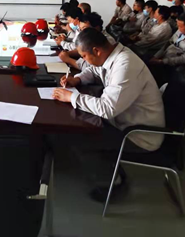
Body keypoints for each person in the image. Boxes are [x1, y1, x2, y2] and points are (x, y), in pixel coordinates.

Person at [52, 28, 165, 200]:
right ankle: (108, 169)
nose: (83, 60)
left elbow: (107, 108)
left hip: (138, 136)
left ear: (96, 50)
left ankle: (112, 185)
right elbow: (93, 70)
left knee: (81, 138)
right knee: (82, 126)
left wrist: (72, 97)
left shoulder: (125, 65)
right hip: (122, 121)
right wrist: (77, 79)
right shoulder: (110, 55)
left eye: (84, 56)